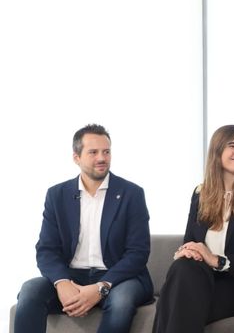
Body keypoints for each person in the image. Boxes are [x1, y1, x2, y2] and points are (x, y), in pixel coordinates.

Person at [14, 124, 153, 333]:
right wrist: (62, 283)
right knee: (30, 291)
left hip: (118, 278)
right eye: (93, 152)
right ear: (76, 157)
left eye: (106, 152)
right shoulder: (57, 195)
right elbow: (47, 249)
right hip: (72, 276)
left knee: (122, 302)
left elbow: (138, 252)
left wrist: (101, 287)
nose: (102, 158)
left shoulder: (131, 194)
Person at [153, 125, 234, 333]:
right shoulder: (200, 194)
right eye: (232, 145)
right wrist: (187, 251)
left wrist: (216, 260)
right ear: (217, 151)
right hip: (205, 281)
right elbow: (189, 241)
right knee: (182, 267)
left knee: (177, 302)